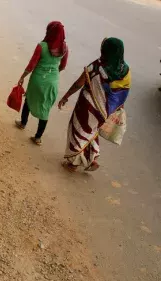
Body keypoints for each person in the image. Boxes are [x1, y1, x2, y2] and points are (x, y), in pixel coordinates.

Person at [58, 37, 131, 172]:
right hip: (105, 110)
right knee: (91, 132)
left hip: (88, 106)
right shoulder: (125, 70)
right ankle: (92, 159)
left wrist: (66, 96)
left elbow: (78, 83)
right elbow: (123, 92)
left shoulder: (96, 66)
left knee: (78, 131)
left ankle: (73, 164)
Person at [16, 21, 69, 145]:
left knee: (29, 99)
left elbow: (32, 65)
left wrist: (22, 77)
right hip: (53, 81)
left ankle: (23, 123)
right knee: (45, 108)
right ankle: (38, 137)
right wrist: (53, 74)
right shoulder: (64, 48)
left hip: (37, 79)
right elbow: (63, 66)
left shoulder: (42, 46)